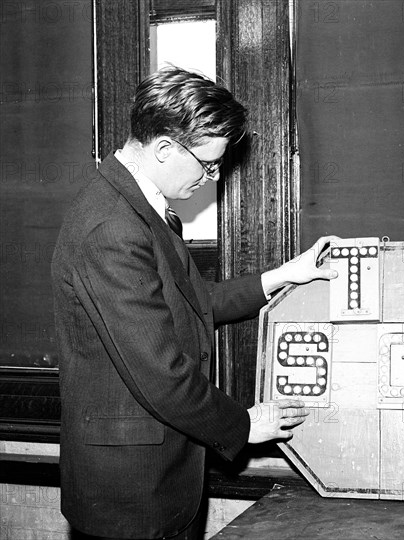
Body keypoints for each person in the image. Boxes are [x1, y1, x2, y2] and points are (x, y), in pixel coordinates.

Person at [51, 66, 338, 540]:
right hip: (131, 497)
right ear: (164, 148)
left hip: (158, 479)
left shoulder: (139, 209)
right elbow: (160, 372)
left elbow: (188, 302)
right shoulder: (112, 228)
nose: (214, 177)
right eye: (208, 164)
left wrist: (284, 276)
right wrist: (243, 424)